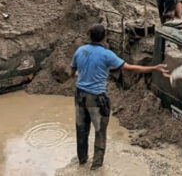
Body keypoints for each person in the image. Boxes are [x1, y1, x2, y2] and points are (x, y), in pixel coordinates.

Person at [71, 24, 168, 170]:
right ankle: (96, 168)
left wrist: (82, 74)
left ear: (89, 35)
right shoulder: (107, 55)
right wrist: (153, 68)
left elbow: (73, 71)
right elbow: (130, 68)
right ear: (104, 37)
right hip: (97, 98)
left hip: (79, 96)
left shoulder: (80, 51)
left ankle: (82, 161)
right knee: (100, 132)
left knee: (81, 129)